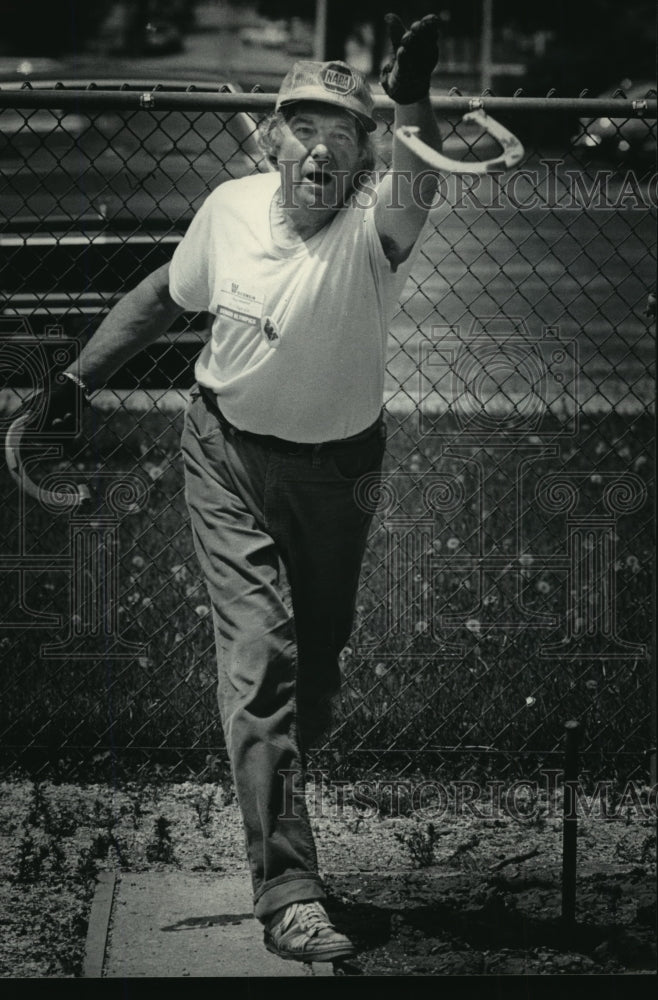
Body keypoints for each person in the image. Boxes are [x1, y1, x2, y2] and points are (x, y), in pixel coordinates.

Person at [19, 13, 443, 964]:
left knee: (317, 657)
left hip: (340, 471)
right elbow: (166, 296)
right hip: (223, 453)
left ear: (364, 157)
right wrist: (71, 386)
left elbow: (419, 170)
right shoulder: (231, 207)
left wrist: (412, 92)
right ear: (273, 139)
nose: (321, 147)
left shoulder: (379, 229)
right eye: (304, 126)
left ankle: (299, 718)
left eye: (344, 132)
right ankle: (290, 892)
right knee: (260, 662)